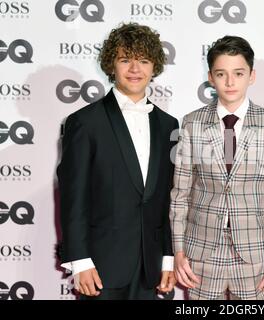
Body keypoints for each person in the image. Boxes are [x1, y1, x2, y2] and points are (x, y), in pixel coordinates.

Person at [57, 22, 178, 300]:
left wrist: (168, 257)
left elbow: (167, 199)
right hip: (100, 265)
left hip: (151, 265)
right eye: (126, 60)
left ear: (154, 66)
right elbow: (73, 196)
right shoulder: (85, 122)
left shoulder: (168, 124)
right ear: (112, 64)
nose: (135, 69)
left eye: (144, 60)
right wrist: (80, 260)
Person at [170, 36, 264, 300]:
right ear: (210, 77)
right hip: (201, 252)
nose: (229, 82)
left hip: (255, 254)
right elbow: (180, 196)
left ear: (251, 76)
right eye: (221, 74)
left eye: (238, 73)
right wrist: (179, 250)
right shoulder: (192, 124)